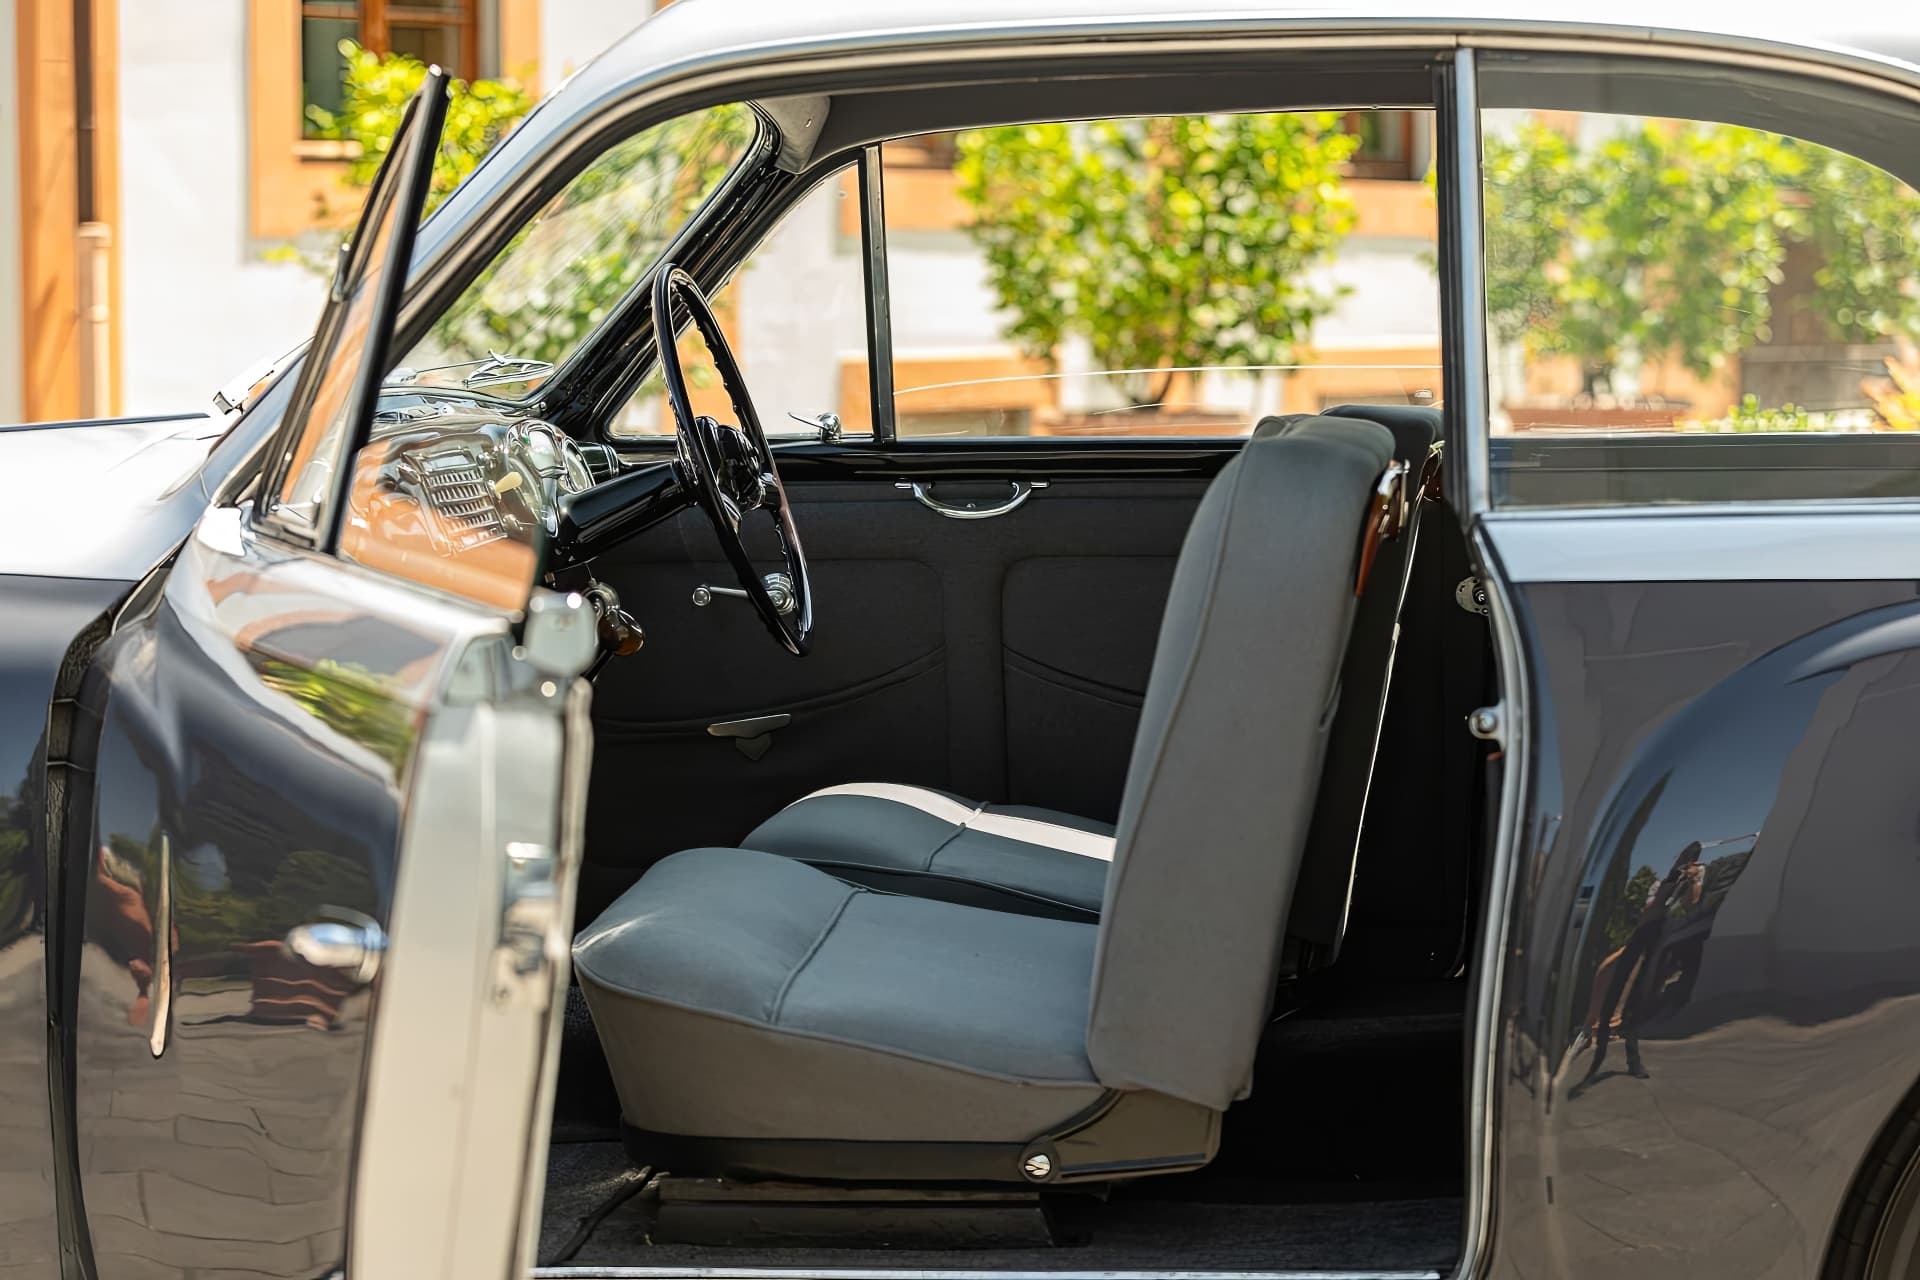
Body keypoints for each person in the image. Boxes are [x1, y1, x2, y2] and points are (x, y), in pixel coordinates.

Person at [1577, 840, 1705, 1088]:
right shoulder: (1661, 884)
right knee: (1614, 993)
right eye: (1685, 858)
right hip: (1641, 939)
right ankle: (1597, 1058)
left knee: (1637, 1002)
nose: (1687, 863)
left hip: (1658, 945)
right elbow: (1650, 910)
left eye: (1692, 859)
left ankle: (1633, 1061)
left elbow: (1692, 904)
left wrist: (1694, 881)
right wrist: (1669, 884)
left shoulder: (1691, 881)